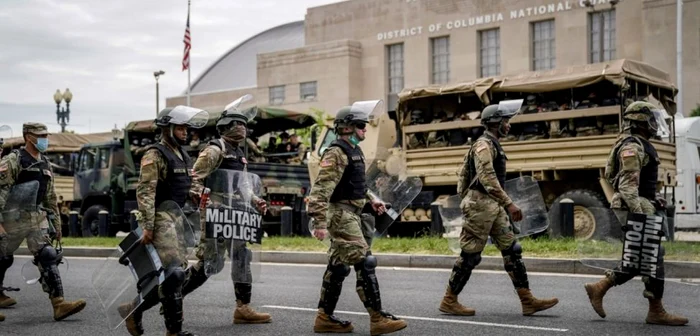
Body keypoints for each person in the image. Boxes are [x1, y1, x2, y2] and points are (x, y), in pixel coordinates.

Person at [439, 104, 559, 317]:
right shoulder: (483, 146)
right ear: (495, 123)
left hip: (491, 206)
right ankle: (449, 300)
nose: (508, 125)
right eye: (505, 121)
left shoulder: (493, 144)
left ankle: (527, 300)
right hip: (481, 206)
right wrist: (509, 203)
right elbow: (487, 179)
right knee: (471, 256)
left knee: (512, 250)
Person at [308, 102, 407, 335]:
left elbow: (356, 184)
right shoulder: (336, 152)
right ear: (347, 128)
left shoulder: (354, 151)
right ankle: (377, 318)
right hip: (341, 215)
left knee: (339, 266)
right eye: (361, 126)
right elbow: (321, 189)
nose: (365, 130)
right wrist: (319, 223)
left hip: (353, 213)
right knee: (365, 262)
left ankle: (324, 317)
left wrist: (372, 199)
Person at [585, 101, 688, 326]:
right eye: (650, 119)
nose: (654, 125)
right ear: (640, 121)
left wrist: (653, 198)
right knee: (651, 256)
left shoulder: (638, 144)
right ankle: (656, 311)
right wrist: (642, 216)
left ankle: (600, 288)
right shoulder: (633, 146)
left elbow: (637, 187)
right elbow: (627, 187)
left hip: (639, 205)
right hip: (635, 208)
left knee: (641, 258)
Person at [120, 106, 208, 336]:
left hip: (178, 218)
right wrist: (148, 225)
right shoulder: (155, 154)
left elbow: (186, 184)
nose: (185, 132)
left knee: (175, 276)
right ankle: (172, 331)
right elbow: (146, 191)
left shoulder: (183, 154)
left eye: (186, 128)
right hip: (160, 219)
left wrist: (196, 193)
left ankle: (134, 310)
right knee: (174, 275)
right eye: (180, 127)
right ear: (167, 128)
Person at [181, 101, 271, 325]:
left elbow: (244, 184)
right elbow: (194, 181)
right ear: (223, 127)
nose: (241, 128)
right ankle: (173, 296)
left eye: (243, 124)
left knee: (242, 256)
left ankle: (243, 308)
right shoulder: (213, 151)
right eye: (236, 123)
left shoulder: (239, 153)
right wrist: (208, 201)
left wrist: (256, 199)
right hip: (215, 214)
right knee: (211, 264)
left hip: (237, 213)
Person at [0, 123, 86, 322]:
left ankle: (59, 304)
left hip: (35, 217)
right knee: (3, 258)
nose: (45, 138)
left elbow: (50, 197)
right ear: (28, 137)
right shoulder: (13, 161)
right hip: (10, 218)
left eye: (46, 135)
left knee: (47, 254)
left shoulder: (45, 162)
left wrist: (56, 225)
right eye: (41, 135)